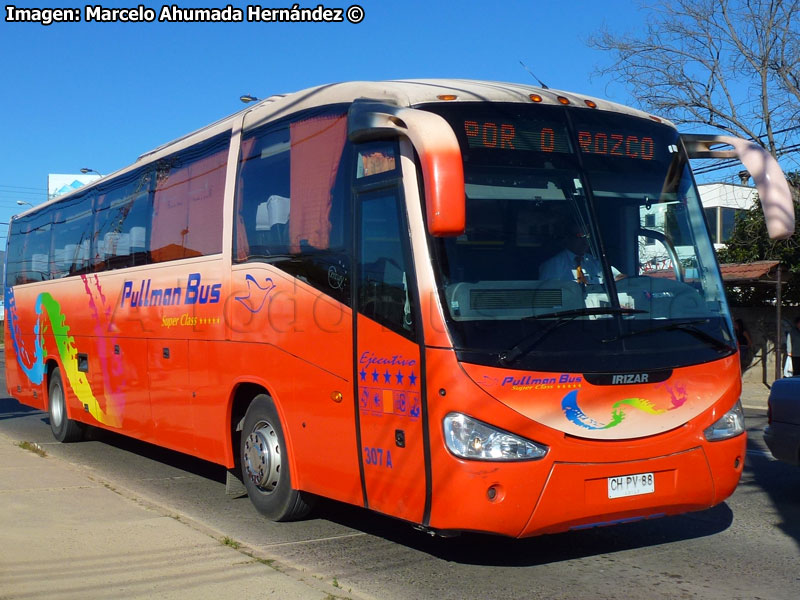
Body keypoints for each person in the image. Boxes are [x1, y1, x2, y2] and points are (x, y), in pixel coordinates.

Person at [539, 221, 621, 284]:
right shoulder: (553, 265)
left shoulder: (595, 262)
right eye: (580, 236)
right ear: (568, 238)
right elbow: (547, 297)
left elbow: (620, 277)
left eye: (588, 236)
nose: (585, 242)